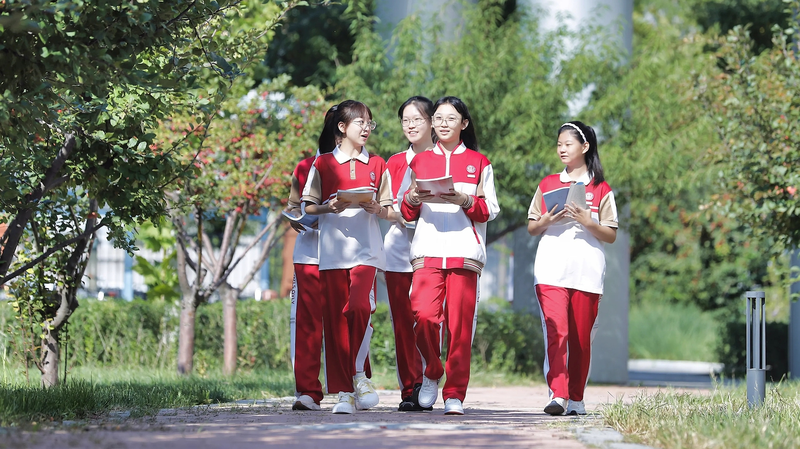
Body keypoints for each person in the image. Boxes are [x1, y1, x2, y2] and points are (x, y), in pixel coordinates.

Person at [401, 96, 500, 415]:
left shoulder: (480, 163)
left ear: (464, 124)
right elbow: (405, 211)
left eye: (450, 118)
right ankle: (432, 370)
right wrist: (414, 196)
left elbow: (489, 211)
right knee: (424, 316)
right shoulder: (418, 162)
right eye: (439, 118)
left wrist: (464, 199)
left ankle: (455, 394)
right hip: (427, 252)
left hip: (464, 254)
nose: (443, 123)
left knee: (460, 328)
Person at [302, 100, 393, 414]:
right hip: (331, 253)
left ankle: (356, 373)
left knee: (358, 307)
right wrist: (330, 206)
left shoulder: (378, 164)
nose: (366, 128)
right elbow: (308, 207)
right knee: (335, 321)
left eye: (370, 123)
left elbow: (390, 210)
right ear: (342, 128)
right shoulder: (322, 164)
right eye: (360, 123)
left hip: (366, 251)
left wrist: (377, 209)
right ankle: (345, 393)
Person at [526, 121, 618, 416]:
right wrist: (548, 221)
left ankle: (576, 399)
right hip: (551, 270)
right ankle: (559, 395)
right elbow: (532, 227)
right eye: (559, 144)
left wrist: (588, 221)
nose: (562, 149)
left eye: (568, 143)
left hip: (587, 272)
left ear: (585, 147)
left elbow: (611, 234)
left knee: (580, 340)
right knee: (557, 332)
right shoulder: (547, 184)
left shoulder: (601, 188)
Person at [383, 96, 435, 412]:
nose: (411, 125)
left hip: (433, 248)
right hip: (398, 249)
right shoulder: (393, 163)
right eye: (405, 120)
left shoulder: (444, 159)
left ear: (431, 122)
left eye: (417, 119)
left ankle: (433, 377)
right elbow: (386, 205)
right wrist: (398, 212)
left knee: (427, 318)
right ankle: (411, 387)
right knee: (403, 320)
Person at [285, 105, 339, 411]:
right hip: (309, 254)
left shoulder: (368, 164)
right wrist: (296, 218)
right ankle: (307, 391)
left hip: (349, 255)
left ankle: (351, 384)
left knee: (351, 320)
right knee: (307, 323)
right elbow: (294, 207)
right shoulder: (305, 166)